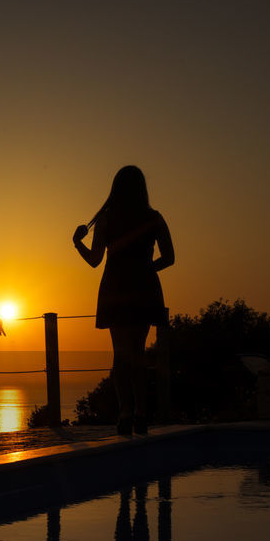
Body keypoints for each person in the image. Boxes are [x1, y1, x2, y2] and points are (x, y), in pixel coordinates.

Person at [73, 165, 175, 435]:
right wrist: (147, 269)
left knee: (120, 354)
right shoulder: (154, 218)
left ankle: (125, 414)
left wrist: (76, 243)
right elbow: (170, 257)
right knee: (138, 354)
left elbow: (95, 261)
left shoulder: (107, 219)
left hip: (115, 289)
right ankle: (141, 413)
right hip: (144, 289)